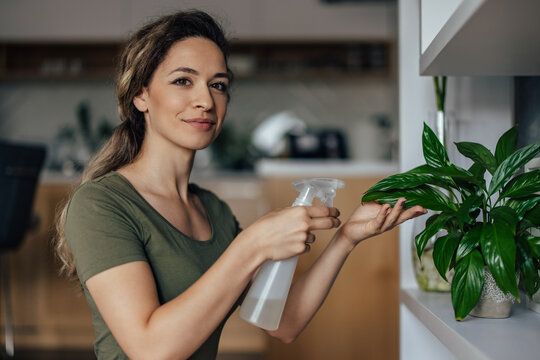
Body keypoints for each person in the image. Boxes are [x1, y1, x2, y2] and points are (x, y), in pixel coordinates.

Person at [54, 10, 426, 360]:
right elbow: (151, 349)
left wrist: (347, 238)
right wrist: (252, 244)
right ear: (141, 95)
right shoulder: (101, 205)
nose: (205, 100)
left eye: (218, 85)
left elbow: (283, 321)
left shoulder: (212, 210)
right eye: (183, 80)